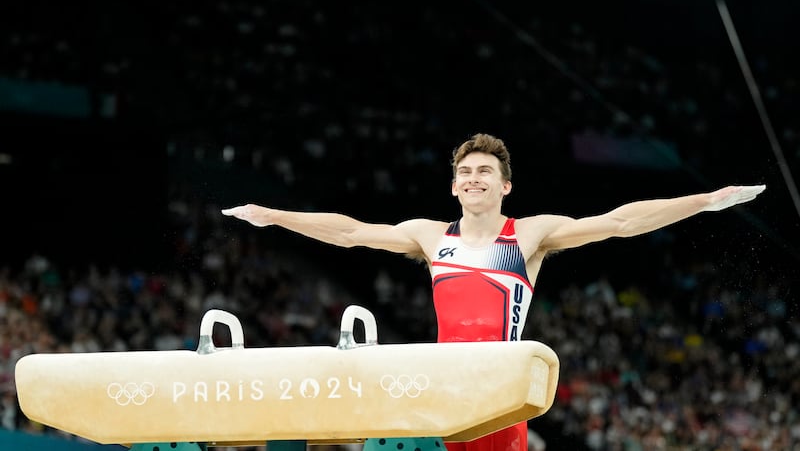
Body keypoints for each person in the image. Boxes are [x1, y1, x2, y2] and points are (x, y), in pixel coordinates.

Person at [222, 133, 765, 451]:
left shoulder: (528, 235)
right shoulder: (430, 237)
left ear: (505, 185)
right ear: (454, 186)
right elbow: (349, 232)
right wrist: (273, 216)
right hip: (439, 387)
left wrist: (704, 201)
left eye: (485, 171)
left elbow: (619, 222)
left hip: (499, 394)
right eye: (465, 172)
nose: (474, 178)